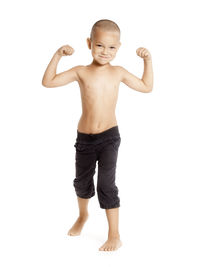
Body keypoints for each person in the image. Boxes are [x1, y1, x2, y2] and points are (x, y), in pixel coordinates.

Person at [42, 19, 153, 252]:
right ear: (89, 43)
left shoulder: (118, 72)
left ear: (119, 47)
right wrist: (58, 55)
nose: (105, 52)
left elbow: (146, 86)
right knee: (81, 183)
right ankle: (83, 216)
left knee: (106, 184)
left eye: (112, 47)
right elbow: (48, 82)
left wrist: (147, 60)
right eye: (100, 45)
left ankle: (115, 235)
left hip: (110, 137)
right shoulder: (81, 71)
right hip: (85, 138)